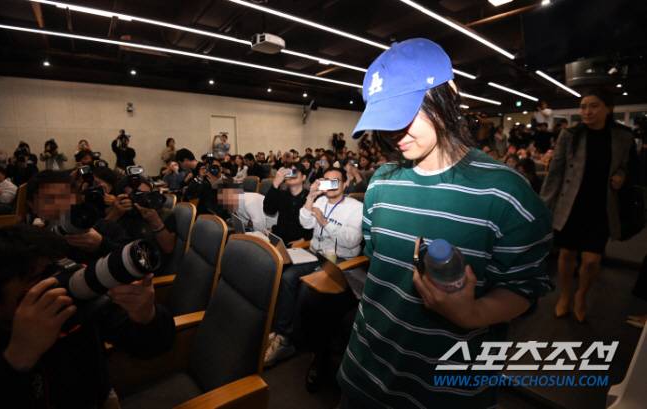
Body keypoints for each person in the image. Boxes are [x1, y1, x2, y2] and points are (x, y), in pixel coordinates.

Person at [337, 38, 553, 409]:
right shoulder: (380, 183)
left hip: (446, 392)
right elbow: (381, 271)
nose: (394, 133)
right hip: (362, 371)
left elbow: (523, 287)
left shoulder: (506, 194)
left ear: (448, 94)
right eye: (385, 120)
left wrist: (473, 314)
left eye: (406, 114)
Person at [0, 224, 175, 408]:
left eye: (52, 270)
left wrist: (146, 315)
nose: (52, 282)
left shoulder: (76, 307)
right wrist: (18, 356)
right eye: (36, 278)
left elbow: (154, 346)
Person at [541, 87, 635, 322]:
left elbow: (628, 166)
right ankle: (565, 295)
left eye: (594, 106)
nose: (587, 111)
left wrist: (621, 176)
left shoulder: (623, 137)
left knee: (592, 260)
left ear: (608, 109)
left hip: (602, 207)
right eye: (583, 107)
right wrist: (544, 205)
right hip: (571, 205)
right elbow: (556, 172)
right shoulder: (571, 135)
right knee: (567, 254)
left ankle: (581, 296)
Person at [264, 167, 363, 367]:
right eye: (327, 181)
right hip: (315, 254)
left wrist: (324, 221)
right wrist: (310, 197)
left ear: (345, 184)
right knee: (287, 277)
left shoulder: (356, 207)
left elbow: (352, 240)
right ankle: (282, 333)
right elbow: (305, 223)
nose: (331, 186)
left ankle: (290, 340)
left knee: (306, 288)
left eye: (336, 181)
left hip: (339, 260)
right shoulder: (320, 201)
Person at [263, 164, 313, 245]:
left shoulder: (310, 197)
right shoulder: (282, 194)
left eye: (294, 172)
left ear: (303, 177)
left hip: (298, 242)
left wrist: (303, 240)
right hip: (279, 239)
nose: (291, 174)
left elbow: (313, 225)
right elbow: (269, 210)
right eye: (288, 172)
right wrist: (275, 184)